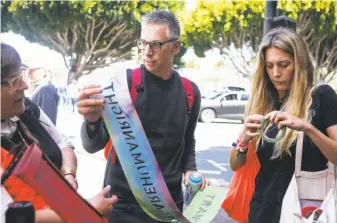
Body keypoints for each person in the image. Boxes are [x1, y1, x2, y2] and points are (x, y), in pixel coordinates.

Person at [77, 10, 207, 223]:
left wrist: (191, 169)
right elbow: (92, 145)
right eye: (143, 43)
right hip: (122, 204)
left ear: (175, 47)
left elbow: (188, 139)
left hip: (168, 204)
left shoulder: (190, 92)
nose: (147, 52)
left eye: (156, 44)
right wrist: (91, 122)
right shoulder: (123, 85)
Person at [1, 43, 118, 222]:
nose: (25, 85)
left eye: (22, 75)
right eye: (15, 80)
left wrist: (68, 175)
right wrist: (85, 208)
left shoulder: (27, 110)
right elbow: (6, 217)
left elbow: (64, 144)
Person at [229, 27, 337, 223]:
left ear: (299, 63)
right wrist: (243, 138)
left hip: (305, 211)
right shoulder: (263, 102)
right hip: (263, 211)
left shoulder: (321, 97)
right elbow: (236, 164)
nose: (276, 73)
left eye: (284, 64)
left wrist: (308, 128)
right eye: (269, 66)